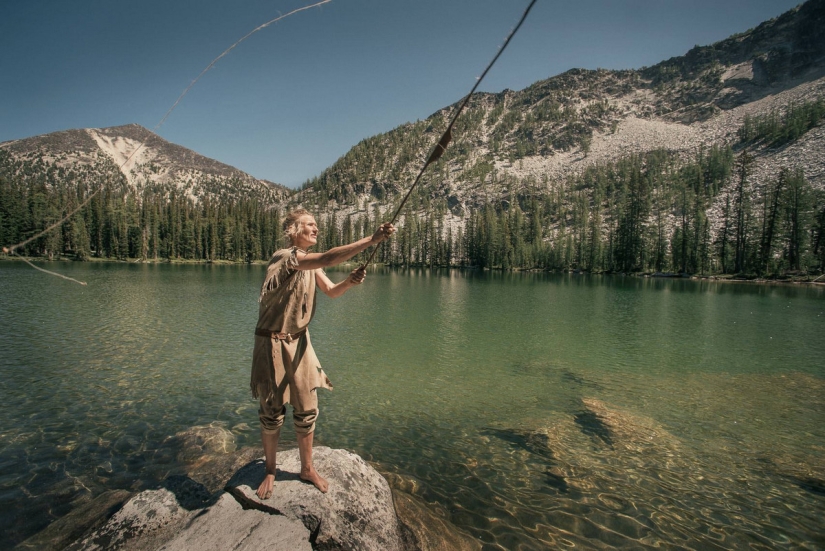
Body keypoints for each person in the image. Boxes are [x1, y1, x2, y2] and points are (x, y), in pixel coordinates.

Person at [251, 208, 395, 498]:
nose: (316, 229)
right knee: (271, 411)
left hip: (301, 342)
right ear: (293, 230)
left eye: (317, 225)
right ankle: (270, 469)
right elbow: (329, 257)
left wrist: (349, 283)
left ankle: (307, 468)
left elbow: (330, 290)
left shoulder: (309, 265)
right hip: (272, 343)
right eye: (309, 225)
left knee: (307, 408)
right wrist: (371, 239)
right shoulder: (286, 257)